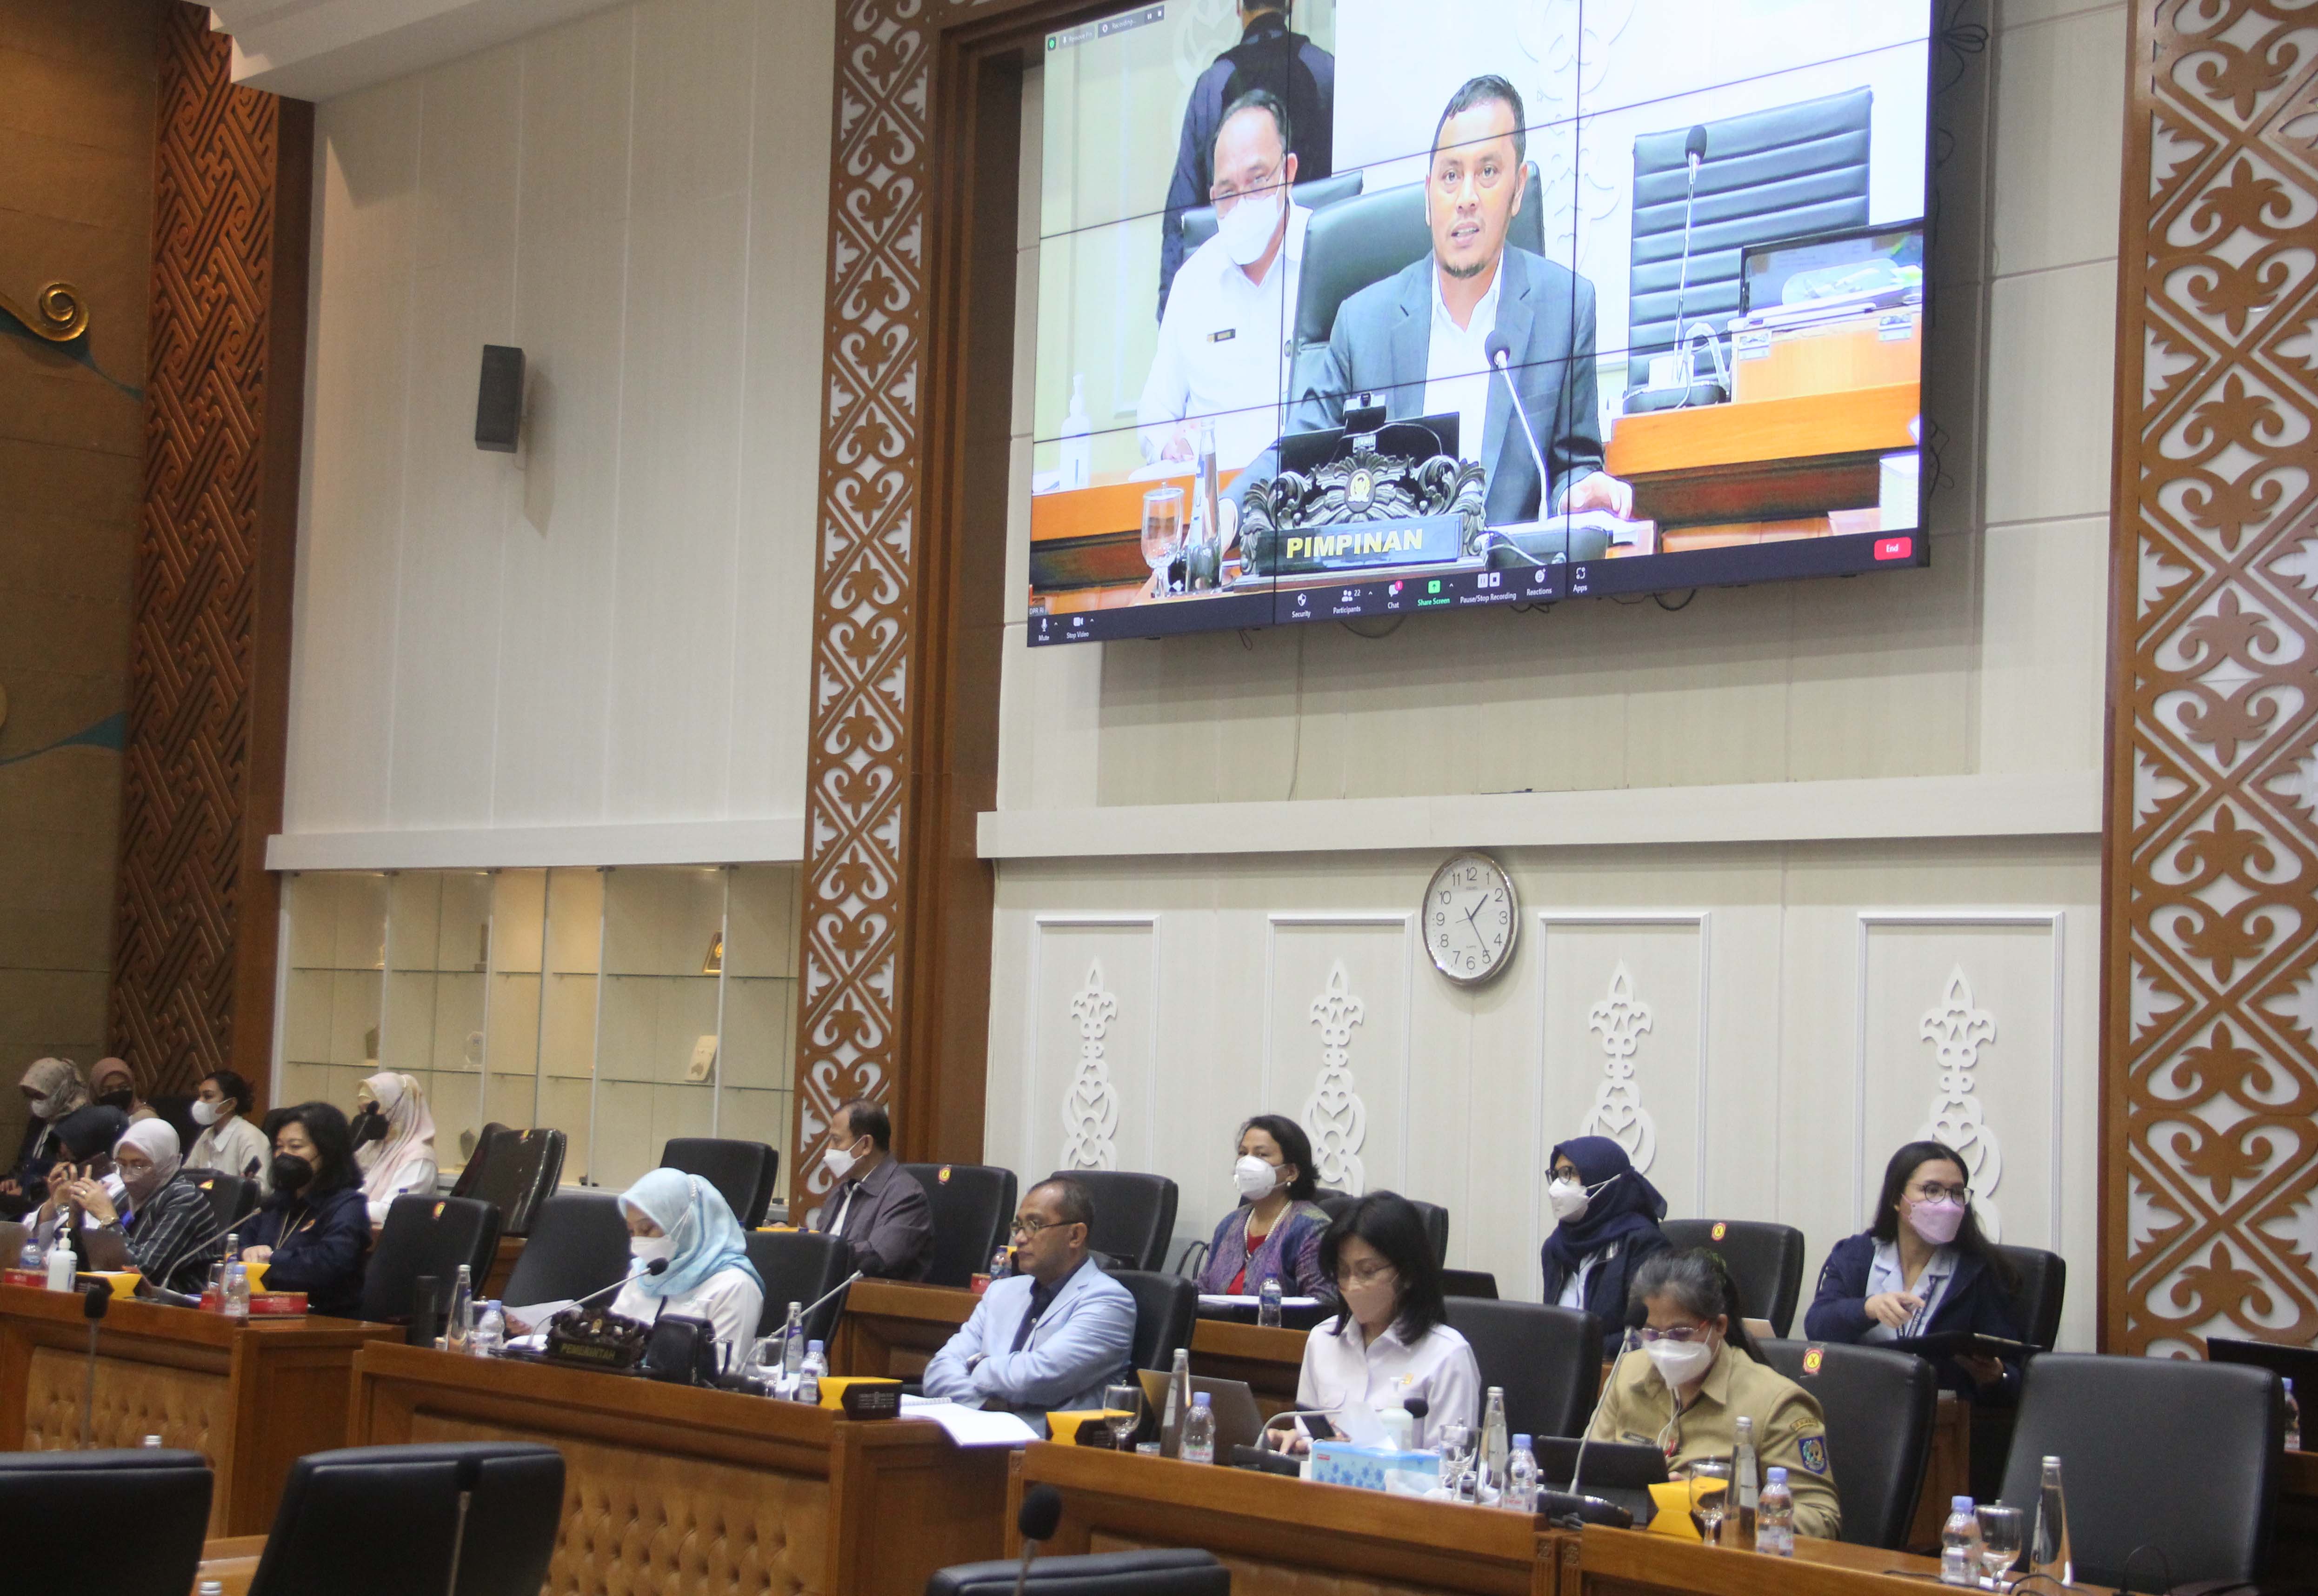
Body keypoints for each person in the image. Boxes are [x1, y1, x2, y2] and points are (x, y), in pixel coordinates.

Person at [1235, 75, 1630, 530]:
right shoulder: (1361, 324)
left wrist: (1576, 494)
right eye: (1450, 176)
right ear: (1428, 197)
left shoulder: (1566, 308)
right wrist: (1227, 510)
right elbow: (1297, 454)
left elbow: (1570, 464)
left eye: (1487, 172)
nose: (1466, 198)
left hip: (1510, 589)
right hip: (1391, 588)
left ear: (1518, 189)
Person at [1589, 1250, 1842, 1540]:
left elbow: (1822, 1520)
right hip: (1633, 1549)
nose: (1664, 1347)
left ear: (1719, 1327)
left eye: (1679, 1334)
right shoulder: (1627, 1374)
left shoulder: (1777, 1403)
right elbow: (1585, 1475)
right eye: (1651, 1334)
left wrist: (1731, 1513)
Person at [1138, 91, 1311, 474]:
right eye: (1228, 193)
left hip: (1306, 496)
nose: (1243, 203)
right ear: (1213, 196)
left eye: (1258, 180)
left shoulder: (1332, 256)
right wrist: (1171, 445)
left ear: (1289, 172)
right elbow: (1154, 413)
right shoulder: (1192, 282)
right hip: (1216, 507)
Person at [1805, 1139, 2022, 1401]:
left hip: (1939, 1414)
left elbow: (2016, 1374)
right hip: (1858, 1401)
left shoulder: (1978, 1271)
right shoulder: (1856, 1256)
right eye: (1932, 1190)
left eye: (1956, 1193)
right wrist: (1868, 1308)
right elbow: (1817, 1325)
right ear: (1897, 1199)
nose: (1947, 1203)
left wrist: (1996, 1376)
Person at [1158, 0, 1333, 319]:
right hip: (1315, 299)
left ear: (1239, 7)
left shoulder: (1213, 85)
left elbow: (1180, 223)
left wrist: (1170, 319)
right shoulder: (1325, 71)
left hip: (1229, 306)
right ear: (1290, 4)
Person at [922, 1176, 1136, 1425]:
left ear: (1075, 1236)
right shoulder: (1000, 1293)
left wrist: (976, 1365)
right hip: (977, 1436)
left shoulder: (1109, 1302)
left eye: (1034, 1225)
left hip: (1047, 1452)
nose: (1020, 1239)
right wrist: (988, 1404)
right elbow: (938, 1372)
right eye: (1018, 1227)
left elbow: (1040, 1378)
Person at [1293, 1190, 1479, 1450]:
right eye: (1343, 1272)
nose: (1352, 1285)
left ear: (1408, 1274)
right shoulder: (1322, 1340)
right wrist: (1298, 1443)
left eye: (1367, 1272)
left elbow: (1450, 1471)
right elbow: (1309, 1437)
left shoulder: (1447, 1355)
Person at [602, 1168, 765, 1370]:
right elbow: (607, 1344)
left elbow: (719, 1376)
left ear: (685, 1221)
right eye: (632, 1231)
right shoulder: (642, 1273)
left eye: (646, 1229)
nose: (638, 1242)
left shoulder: (735, 1286)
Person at [43, 1119, 226, 1294]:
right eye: (122, 1164)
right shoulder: (124, 1199)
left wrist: (108, 1218)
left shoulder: (185, 1200)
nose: (128, 1175)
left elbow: (143, 1273)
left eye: (139, 1165)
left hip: (177, 1313)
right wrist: (75, 1217)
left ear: (167, 1162)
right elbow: (88, 1266)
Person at [1538, 1136, 1672, 1353]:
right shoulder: (1555, 1248)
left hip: (1620, 1375)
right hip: (1563, 1375)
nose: (1556, 1187)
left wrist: (1577, 1347)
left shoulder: (1643, 1244)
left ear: (1602, 1177)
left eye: (1567, 1174)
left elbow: (1647, 1334)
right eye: (1555, 1176)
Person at [243, 1104, 371, 1318]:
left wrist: (270, 1260)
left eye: (296, 1147)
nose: (284, 1155)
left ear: (327, 1152)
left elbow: (328, 1264)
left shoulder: (348, 1205)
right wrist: (246, 1253)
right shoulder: (275, 1203)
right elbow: (241, 1242)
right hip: (264, 1315)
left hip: (324, 1322)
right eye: (279, 1147)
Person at [1195, 1113, 1332, 1297]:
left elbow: (1321, 1303)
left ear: (1291, 1172)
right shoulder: (1229, 1224)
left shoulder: (1312, 1228)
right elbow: (1202, 1290)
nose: (1247, 1163)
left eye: (1261, 1155)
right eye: (1243, 1153)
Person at [810, 1097, 934, 1281]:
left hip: (876, 1303)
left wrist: (814, 1250)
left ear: (865, 1145)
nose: (829, 1150)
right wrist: (793, 1240)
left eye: (836, 1141)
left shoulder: (907, 1195)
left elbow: (878, 1260)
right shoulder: (840, 1191)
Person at [2, 1057, 88, 1217]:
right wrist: (14, 1179)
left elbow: (70, 1170)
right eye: (33, 1097)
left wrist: (28, 1191)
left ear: (60, 1090)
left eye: (41, 1096)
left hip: (51, 1203)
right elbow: (24, 1160)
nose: (37, 1103)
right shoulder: (38, 1121)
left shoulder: (79, 1123)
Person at [352, 1070, 438, 1229]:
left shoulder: (419, 1158)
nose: (366, 1118)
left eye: (372, 1110)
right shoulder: (373, 1148)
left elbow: (393, 1211)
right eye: (362, 1111)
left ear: (397, 1107)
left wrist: (340, 1209)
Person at [186, 1069, 271, 1195]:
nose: (200, 1102)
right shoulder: (207, 1135)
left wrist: (232, 1188)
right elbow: (187, 1175)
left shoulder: (250, 1136)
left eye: (208, 1096)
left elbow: (262, 1189)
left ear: (231, 1103)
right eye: (200, 1096)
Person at [89, 1057, 156, 1122]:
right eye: (107, 1091)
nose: (116, 1093)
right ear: (95, 1093)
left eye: (123, 1087)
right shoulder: (88, 1122)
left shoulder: (145, 1119)